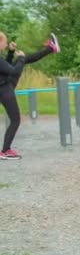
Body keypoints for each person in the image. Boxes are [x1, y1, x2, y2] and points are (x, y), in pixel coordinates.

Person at [0, 32, 60, 160]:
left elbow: (6, 66)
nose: (6, 44)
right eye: (4, 42)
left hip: (5, 85)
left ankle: (51, 48)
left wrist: (11, 52)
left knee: (24, 59)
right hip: (4, 89)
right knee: (15, 120)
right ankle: (5, 151)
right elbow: (13, 70)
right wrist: (21, 58)